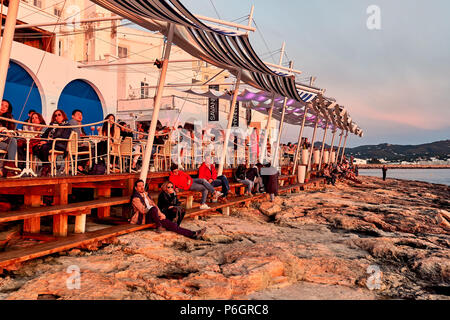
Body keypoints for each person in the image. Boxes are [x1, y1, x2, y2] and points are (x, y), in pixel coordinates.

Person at [130, 180, 205, 239]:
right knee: (153, 209)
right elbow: (143, 210)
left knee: (173, 226)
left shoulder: (146, 194)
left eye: (142, 185)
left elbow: (155, 205)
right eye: (139, 186)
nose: (142, 187)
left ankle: (193, 234)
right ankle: (159, 226)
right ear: (136, 188)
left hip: (154, 216)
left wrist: (161, 215)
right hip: (144, 218)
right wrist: (154, 211)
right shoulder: (135, 198)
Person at [33, 109, 72, 177]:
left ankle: (46, 167)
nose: (57, 116)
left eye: (59, 114)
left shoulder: (67, 126)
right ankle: (47, 165)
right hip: (50, 144)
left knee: (44, 147)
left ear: (63, 115)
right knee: (35, 148)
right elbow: (44, 135)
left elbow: (63, 138)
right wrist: (43, 141)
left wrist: (47, 142)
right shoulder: (52, 125)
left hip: (60, 144)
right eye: (55, 115)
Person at [0, 100, 20, 175]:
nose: (3, 107)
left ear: (8, 109)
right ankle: (10, 168)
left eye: (6, 106)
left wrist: (9, 133)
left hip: (4, 142)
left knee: (13, 142)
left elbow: (13, 131)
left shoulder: (8, 119)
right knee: (12, 144)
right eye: (2, 104)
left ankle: (9, 167)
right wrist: (4, 129)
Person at [68, 109, 90, 173]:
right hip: (73, 146)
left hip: (78, 145)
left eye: (81, 115)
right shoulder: (73, 122)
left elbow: (83, 135)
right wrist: (80, 143)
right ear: (73, 116)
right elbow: (76, 136)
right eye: (78, 114)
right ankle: (79, 166)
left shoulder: (80, 125)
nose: (80, 116)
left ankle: (79, 166)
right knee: (88, 149)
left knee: (90, 149)